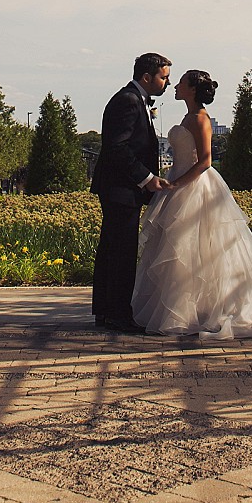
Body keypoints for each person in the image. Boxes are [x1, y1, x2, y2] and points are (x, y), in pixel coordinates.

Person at [132, 68, 252, 338]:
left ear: (192, 89)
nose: (175, 85)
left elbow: (204, 161)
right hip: (179, 183)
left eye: (180, 82)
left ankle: (205, 310)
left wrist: (178, 184)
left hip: (194, 187)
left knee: (201, 248)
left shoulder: (201, 119)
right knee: (183, 251)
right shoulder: (188, 116)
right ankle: (190, 309)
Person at [90, 52, 173, 332]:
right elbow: (118, 148)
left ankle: (106, 311)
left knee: (113, 249)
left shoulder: (134, 100)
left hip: (120, 188)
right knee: (121, 251)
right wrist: (147, 178)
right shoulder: (128, 100)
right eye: (164, 77)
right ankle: (117, 314)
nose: (167, 84)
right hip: (120, 188)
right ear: (146, 77)